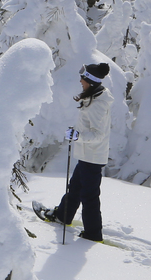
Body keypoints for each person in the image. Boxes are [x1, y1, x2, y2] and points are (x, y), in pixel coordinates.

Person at [35, 63, 112, 242]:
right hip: (87, 155)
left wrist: (78, 135)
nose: (80, 81)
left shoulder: (98, 104)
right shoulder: (95, 96)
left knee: (89, 196)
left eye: (83, 78)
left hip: (92, 156)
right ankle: (63, 216)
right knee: (76, 188)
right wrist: (78, 133)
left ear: (91, 81)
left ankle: (93, 234)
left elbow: (98, 135)